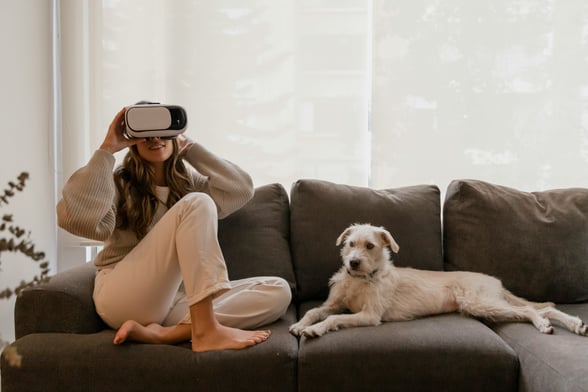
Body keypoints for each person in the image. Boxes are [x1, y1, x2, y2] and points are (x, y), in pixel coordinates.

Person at [57, 106, 291, 352]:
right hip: (122, 295)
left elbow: (241, 189)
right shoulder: (119, 182)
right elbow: (79, 219)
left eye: (163, 130)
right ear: (133, 140)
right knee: (198, 202)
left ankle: (168, 333)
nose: (156, 138)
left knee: (278, 291)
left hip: (170, 302)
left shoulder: (189, 184)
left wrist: (191, 149)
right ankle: (205, 331)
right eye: (147, 133)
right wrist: (107, 148)